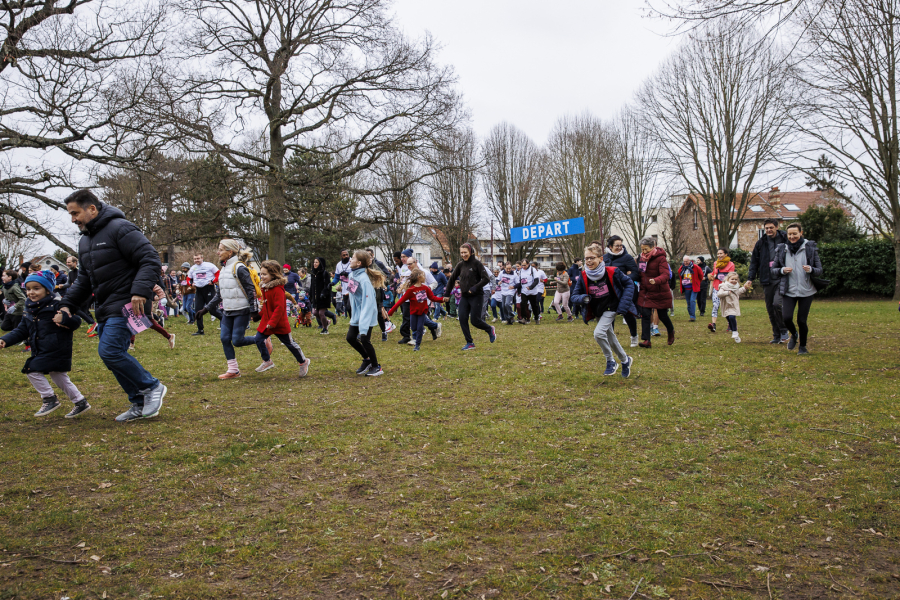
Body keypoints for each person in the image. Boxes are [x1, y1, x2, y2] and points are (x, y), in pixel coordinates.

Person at [59, 190, 166, 422]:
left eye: (75, 213)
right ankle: (138, 403)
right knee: (110, 356)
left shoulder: (121, 228)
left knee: (110, 351)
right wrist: (67, 304)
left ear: (92, 209)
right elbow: (85, 280)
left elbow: (150, 259)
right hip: (105, 307)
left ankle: (152, 387)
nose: (73, 219)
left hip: (129, 303)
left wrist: (140, 291)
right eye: (70, 214)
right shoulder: (85, 241)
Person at [0, 271, 90, 417]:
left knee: (32, 369)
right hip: (40, 348)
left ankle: (49, 398)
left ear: (48, 289)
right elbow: (22, 330)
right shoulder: (29, 308)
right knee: (58, 376)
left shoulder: (58, 305)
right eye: (28, 289)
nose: (31, 292)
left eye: (36, 288)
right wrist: (5, 339)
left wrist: (64, 319)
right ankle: (80, 402)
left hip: (57, 347)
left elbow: (77, 321)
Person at [194, 239, 260, 379]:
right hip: (228, 311)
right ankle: (233, 370)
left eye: (221, 249)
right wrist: (205, 309)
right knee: (224, 338)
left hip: (242, 310)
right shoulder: (223, 269)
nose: (218, 252)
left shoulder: (239, 268)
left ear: (230, 252)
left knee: (237, 341)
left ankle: (261, 339)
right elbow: (220, 294)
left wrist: (254, 310)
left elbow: (250, 290)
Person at [570, 243, 635, 378]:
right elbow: (574, 296)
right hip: (597, 310)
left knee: (599, 334)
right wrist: (584, 298)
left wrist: (624, 304)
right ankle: (625, 360)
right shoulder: (583, 275)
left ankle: (610, 360)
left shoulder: (612, 271)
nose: (589, 261)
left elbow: (629, 283)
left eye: (592, 258)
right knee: (610, 337)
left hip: (611, 307)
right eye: (586, 258)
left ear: (600, 258)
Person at [249, 260, 311, 376]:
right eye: (261, 274)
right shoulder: (265, 287)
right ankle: (267, 361)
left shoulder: (278, 289)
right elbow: (267, 306)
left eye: (264, 274)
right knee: (258, 339)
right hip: (267, 322)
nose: (261, 277)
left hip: (278, 322)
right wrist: (259, 315)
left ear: (273, 274)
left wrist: (272, 322)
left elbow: (279, 308)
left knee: (290, 344)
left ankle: (303, 361)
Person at [771, 222, 822, 356]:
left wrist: (811, 269)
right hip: (789, 290)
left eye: (795, 234)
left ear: (801, 233)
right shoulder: (782, 249)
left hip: (806, 290)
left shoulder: (810, 249)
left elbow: (819, 270)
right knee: (787, 318)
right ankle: (794, 334)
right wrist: (782, 270)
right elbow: (773, 270)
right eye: (790, 234)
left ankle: (803, 347)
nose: (792, 236)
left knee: (801, 320)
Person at [444, 243, 496, 350]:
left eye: (465, 252)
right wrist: (447, 294)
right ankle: (470, 343)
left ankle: (489, 329)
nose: (463, 255)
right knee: (462, 319)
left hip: (476, 296)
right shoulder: (460, 265)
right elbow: (452, 279)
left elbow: (486, 279)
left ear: (470, 252)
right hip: (465, 296)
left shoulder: (477, 264)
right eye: (461, 253)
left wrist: (474, 288)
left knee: (475, 321)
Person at [748, 218, 790, 344]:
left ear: (777, 227)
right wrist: (750, 278)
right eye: (766, 228)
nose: (769, 230)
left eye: (771, 227)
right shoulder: (761, 243)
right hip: (767, 278)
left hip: (782, 277)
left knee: (777, 304)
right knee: (770, 309)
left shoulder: (785, 239)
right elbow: (754, 262)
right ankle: (776, 335)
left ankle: (784, 329)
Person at [345, 250, 385, 376]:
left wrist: (363, 322)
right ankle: (367, 359)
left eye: (353, 258)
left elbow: (369, 302)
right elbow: (353, 295)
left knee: (365, 339)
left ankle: (376, 367)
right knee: (350, 338)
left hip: (367, 314)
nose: (350, 259)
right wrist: (352, 312)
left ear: (359, 263)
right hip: (358, 314)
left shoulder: (364, 279)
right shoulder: (352, 275)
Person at [387, 269, 445, 351]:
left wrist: (443, 299)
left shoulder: (425, 288)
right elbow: (400, 301)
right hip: (413, 312)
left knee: (419, 328)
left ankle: (417, 345)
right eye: (423, 275)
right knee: (414, 327)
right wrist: (390, 312)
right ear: (418, 277)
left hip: (422, 312)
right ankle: (435, 326)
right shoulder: (411, 290)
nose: (425, 277)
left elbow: (432, 297)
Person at [636, 236, 674, 348]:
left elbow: (666, 275)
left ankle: (670, 331)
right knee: (645, 315)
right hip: (646, 291)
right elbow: (640, 273)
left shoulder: (661, 258)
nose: (644, 252)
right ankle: (646, 340)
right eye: (642, 249)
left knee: (663, 315)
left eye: (646, 249)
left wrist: (656, 280)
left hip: (660, 291)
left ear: (653, 247)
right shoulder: (641, 258)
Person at [603, 236, 640, 346]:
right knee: (609, 315)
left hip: (624, 291)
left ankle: (634, 336)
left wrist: (625, 278)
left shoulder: (627, 257)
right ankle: (610, 339)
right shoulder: (604, 258)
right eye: (617, 245)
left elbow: (635, 273)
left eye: (621, 245)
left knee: (628, 313)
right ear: (610, 246)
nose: (620, 247)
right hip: (609, 291)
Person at [716, 272, 752, 344]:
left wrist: (744, 288)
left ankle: (735, 331)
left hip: (733, 306)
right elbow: (719, 294)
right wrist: (727, 293)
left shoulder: (736, 287)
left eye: (736, 279)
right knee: (729, 319)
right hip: (726, 306)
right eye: (732, 279)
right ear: (728, 279)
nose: (734, 281)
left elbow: (738, 292)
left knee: (732, 317)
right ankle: (735, 333)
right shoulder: (723, 286)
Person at [188, 253, 219, 336]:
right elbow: (188, 279)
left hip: (209, 289)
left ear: (202, 258)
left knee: (212, 310)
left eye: (198, 258)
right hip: (199, 290)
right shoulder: (193, 268)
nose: (196, 260)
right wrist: (191, 284)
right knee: (198, 310)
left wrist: (213, 281)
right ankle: (200, 330)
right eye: (195, 259)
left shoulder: (209, 265)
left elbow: (218, 273)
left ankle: (226, 322)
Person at [707, 248, 735, 334]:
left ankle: (730, 324)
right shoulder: (716, 263)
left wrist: (721, 277)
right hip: (716, 287)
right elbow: (714, 273)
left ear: (726, 254)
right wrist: (710, 276)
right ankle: (713, 325)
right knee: (715, 305)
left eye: (721, 253)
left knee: (726, 307)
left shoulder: (731, 264)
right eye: (718, 254)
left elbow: (731, 276)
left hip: (726, 288)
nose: (719, 255)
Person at [309, 257, 336, 334]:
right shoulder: (313, 274)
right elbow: (312, 285)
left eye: (317, 262)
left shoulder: (325, 273)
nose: (315, 264)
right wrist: (310, 295)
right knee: (315, 312)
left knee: (321, 313)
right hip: (315, 297)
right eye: (314, 262)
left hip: (323, 296)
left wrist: (324, 293)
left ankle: (325, 329)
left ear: (320, 264)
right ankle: (326, 322)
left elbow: (327, 285)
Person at [678, 256, 703, 322]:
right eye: (684, 261)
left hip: (694, 287)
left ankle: (692, 316)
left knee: (692, 300)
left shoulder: (696, 267)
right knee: (688, 302)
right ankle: (691, 314)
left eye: (687, 261)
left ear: (690, 261)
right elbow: (680, 275)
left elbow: (701, 275)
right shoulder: (681, 268)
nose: (685, 263)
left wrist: (697, 282)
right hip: (686, 288)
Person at [331, 249, 354, 319]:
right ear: (341, 256)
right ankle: (352, 320)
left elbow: (356, 272)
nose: (346, 256)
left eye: (347, 254)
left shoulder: (352, 261)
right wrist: (332, 283)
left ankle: (355, 320)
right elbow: (337, 277)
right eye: (344, 255)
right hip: (344, 287)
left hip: (352, 285)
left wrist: (348, 274)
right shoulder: (339, 265)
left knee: (350, 306)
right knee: (347, 306)